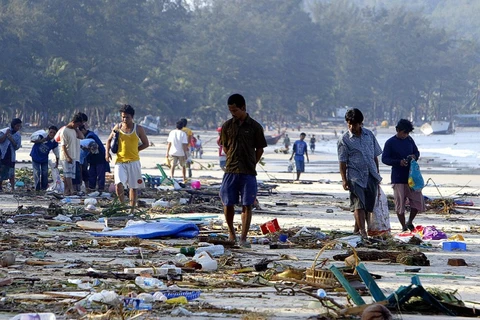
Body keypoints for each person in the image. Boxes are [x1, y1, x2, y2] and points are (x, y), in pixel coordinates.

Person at [219, 93, 267, 247]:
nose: (233, 113)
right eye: (231, 111)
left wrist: (252, 162)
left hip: (248, 171)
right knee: (228, 203)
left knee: (247, 204)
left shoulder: (255, 127)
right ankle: (232, 233)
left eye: (235, 111)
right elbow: (225, 147)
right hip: (231, 170)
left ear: (243, 108)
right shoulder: (227, 126)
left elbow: (259, 149)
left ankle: (243, 238)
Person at [338, 108, 382, 238]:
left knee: (368, 205)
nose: (351, 127)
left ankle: (356, 230)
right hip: (355, 176)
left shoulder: (369, 135)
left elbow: (375, 156)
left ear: (360, 123)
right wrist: (344, 180)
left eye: (354, 124)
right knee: (358, 204)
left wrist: (377, 174)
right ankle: (363, 231)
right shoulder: (344, 140)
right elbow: (342, 162)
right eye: (349, 124)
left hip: (371, 175)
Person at [382, 119, 425, 232]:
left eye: (407, 133)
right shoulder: (390, 142)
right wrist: (398, 162)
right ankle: (403, 226)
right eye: (404, 132)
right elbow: (384, 159)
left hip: (412, 177)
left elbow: (417, 152)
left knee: (417, 201)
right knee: (400, 204)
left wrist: (413, 157)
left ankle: (410, 221)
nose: (405, 135)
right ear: (398, 130)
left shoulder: (410, 140)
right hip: (398, 177)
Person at [106, 104, 149, 211]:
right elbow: (108, 140)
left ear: (132, 117)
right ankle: (122, 206)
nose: (124, 119)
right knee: (118, 184)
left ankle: (132, 209)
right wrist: (107, 153)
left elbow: (146, 143)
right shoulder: (118, 127)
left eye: (127, 117)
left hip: (134, 162)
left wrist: (135, 150)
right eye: (123, 117)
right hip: (120, 161)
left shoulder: (138, 128)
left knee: (133, 187)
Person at [79, 125, 110, 194]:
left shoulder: (90, 136)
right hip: (92, 160)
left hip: (99, 158)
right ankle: (91, 188)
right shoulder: (89, 135)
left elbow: (95, 149)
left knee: (100, 175)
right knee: (92, 174)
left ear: (83, 130)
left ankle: (100, 189)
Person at [30, 126, 60, 191]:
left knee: (45, 172)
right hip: (35, 156)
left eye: (54, 133)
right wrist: (41, 140)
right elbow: (32, 140)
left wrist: (57, 163)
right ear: (48, 132)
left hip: (44, 158)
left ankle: (44, 187)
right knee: (37, 172)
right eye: (51, 132)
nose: (52, 134)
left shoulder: (54, 142)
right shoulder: (42, 136)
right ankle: (37, 188)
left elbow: (57, 153)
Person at [60, 114, 83, 196]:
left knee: (69, 175)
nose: (78, 126)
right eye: (77, 124)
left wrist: (77, 129)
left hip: (73, 156)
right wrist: (67, 157)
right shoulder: (64, 130)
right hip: (66, 156)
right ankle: (71, 189)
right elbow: (63, 145)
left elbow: (81, 137)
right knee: (68, 175)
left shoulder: (74, 130)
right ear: (73, 122)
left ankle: (66, 191)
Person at [0, 118, 23, 191]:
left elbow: (17, 146)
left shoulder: (18, 135)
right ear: (13, 125)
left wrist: (11, 139)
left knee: (11, 172)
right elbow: (0, 141)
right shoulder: (4, 131)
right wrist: (6, 134)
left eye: (19, 126)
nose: (18, 128)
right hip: (2, 154)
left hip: (11, 156)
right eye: (17, 126)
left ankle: (12, 188)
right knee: (1, 170)